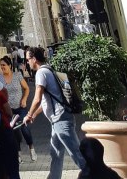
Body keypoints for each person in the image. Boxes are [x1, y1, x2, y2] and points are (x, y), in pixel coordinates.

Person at [25, 46, 86, 179]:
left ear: (34, 59)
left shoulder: (41, 73)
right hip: (58, 119)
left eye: (28, 59)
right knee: (56, 153)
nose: (27, 62)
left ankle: (94, 175)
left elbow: (37, 98)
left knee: (76, 154)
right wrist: (34, 115)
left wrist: (28, 114)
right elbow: (47, 101)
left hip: (60, 120)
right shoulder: (49, 69)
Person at [0, 54, 36, 161]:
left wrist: (24, 99)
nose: (2, 67)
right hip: (8, 110)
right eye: (1, 65)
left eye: (4, 65)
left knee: (25, 128)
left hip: (20, 107)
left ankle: (31, 148)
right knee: (14, 131)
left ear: (10, 65)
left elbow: (27, 88)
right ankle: (18, 153)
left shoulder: (17, 75)